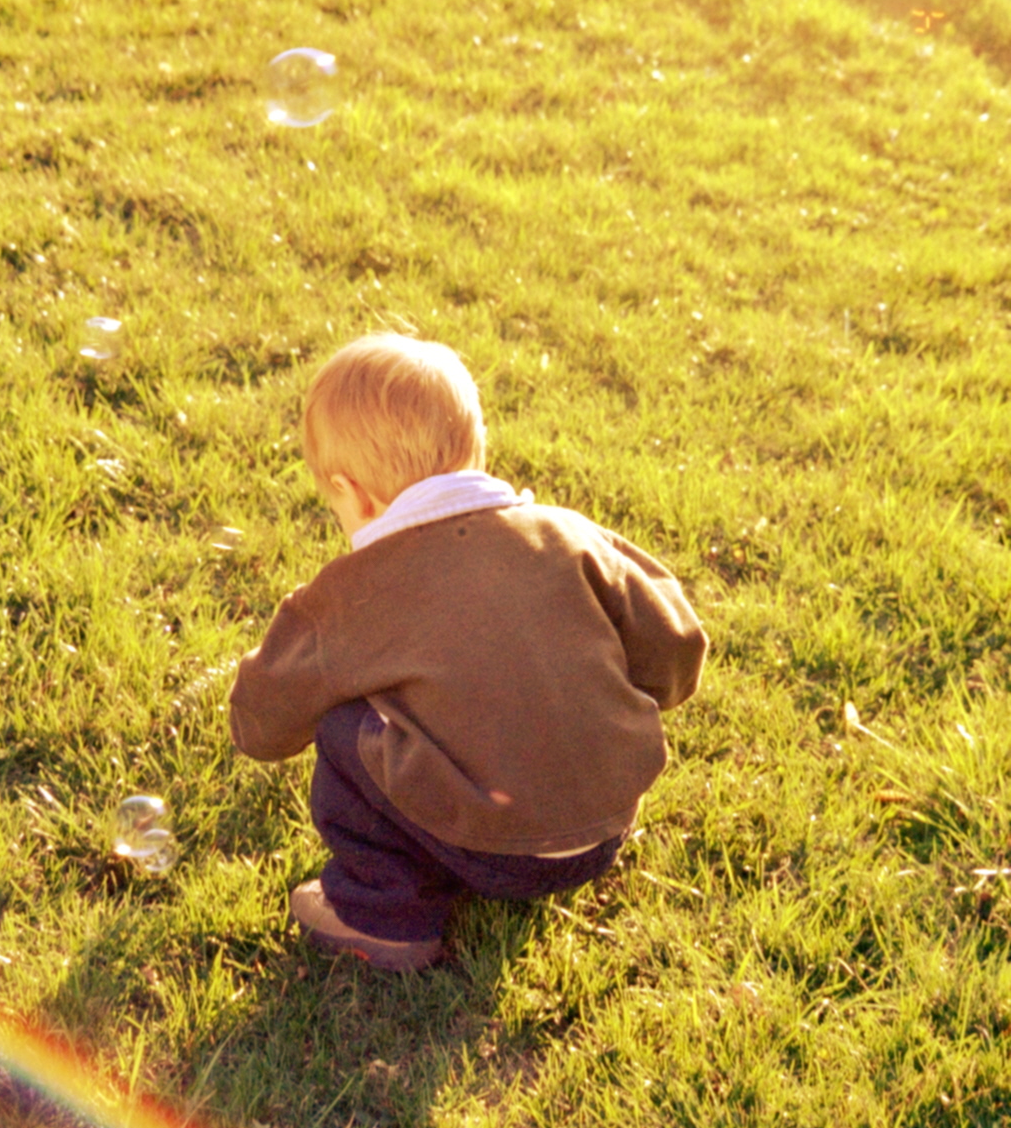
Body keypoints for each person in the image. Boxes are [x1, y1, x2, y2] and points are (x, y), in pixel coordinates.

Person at [229, 332, 708, 972]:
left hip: (488, 848)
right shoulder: (570, 536)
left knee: (347, 728)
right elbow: (678, 647)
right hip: (603, 829)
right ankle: (500, 832)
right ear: (474, 449)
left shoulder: (352, 594)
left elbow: (259, 726)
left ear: (352, 491)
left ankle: (383, 915)